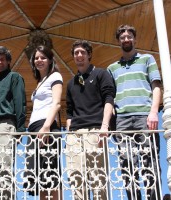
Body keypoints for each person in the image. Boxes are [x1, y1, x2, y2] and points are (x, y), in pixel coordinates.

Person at [107, 24, 162, 200]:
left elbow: (156, 87)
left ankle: (153, 197)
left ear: (134, 39)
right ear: (119, 41)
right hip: (122, 119)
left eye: (129, 36)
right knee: (126, 163)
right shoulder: (112, 68)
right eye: (122, 37)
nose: (126, 39)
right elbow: (109, 96)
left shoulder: (147, 59)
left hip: (144, 116)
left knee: (149, 160)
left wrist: (153, 112)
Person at [65, 40, 115, 200]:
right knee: (75, 177)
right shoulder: (71, 83)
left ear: (89, 55)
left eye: (82, 52)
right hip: (74, 134)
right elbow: (69, 113)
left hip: (95, 130)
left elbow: (109, 99)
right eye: (76, 53)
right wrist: (68, 135)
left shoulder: (101, 74)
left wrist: (105, 127)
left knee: (97, 176)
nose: (79, 55)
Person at [0, 46, 26, 200]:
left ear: (8, 61)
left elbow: (20, 103)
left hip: (5, 126)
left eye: (2, 59)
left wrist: (20, 130)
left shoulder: (14, 77)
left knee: (3, 169)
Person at [25, 45, 62, 200]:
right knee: (39, 174)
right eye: (36, 58)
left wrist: (46, 126)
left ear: (50, 60)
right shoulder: (40, 82)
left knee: (50, 172)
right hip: (34, 129)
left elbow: (57, 103)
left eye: (43, 57)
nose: (39, 60)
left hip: (46, 126)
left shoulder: (55, 77)